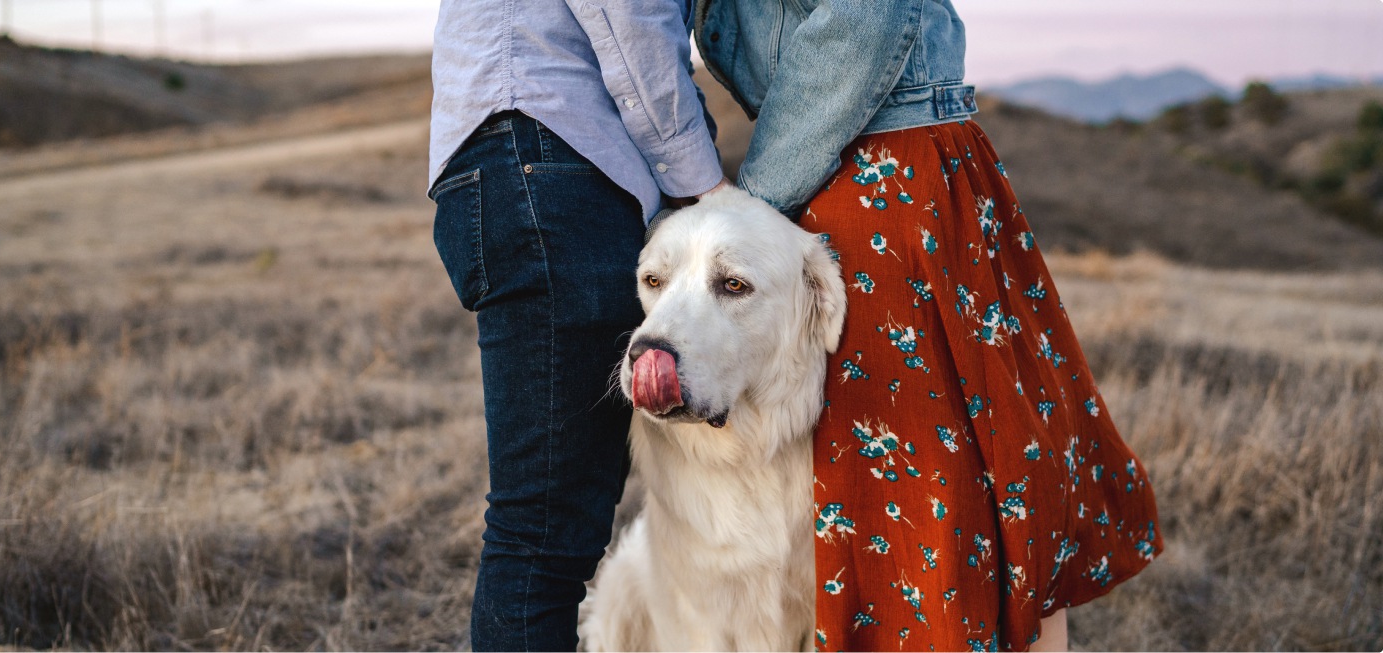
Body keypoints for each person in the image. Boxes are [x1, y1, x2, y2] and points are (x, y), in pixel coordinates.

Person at [694, 0, 1164, 650]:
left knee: (936, 498)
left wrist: (754, 209)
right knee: (970, 484)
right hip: (873, 174)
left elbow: (865, 18)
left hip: (885, 188)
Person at [426, 2, 727, 649]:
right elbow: (633, 20)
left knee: (555, 523)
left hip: (524, 163)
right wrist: (707, 193)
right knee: (543, 535)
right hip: (550, 162)